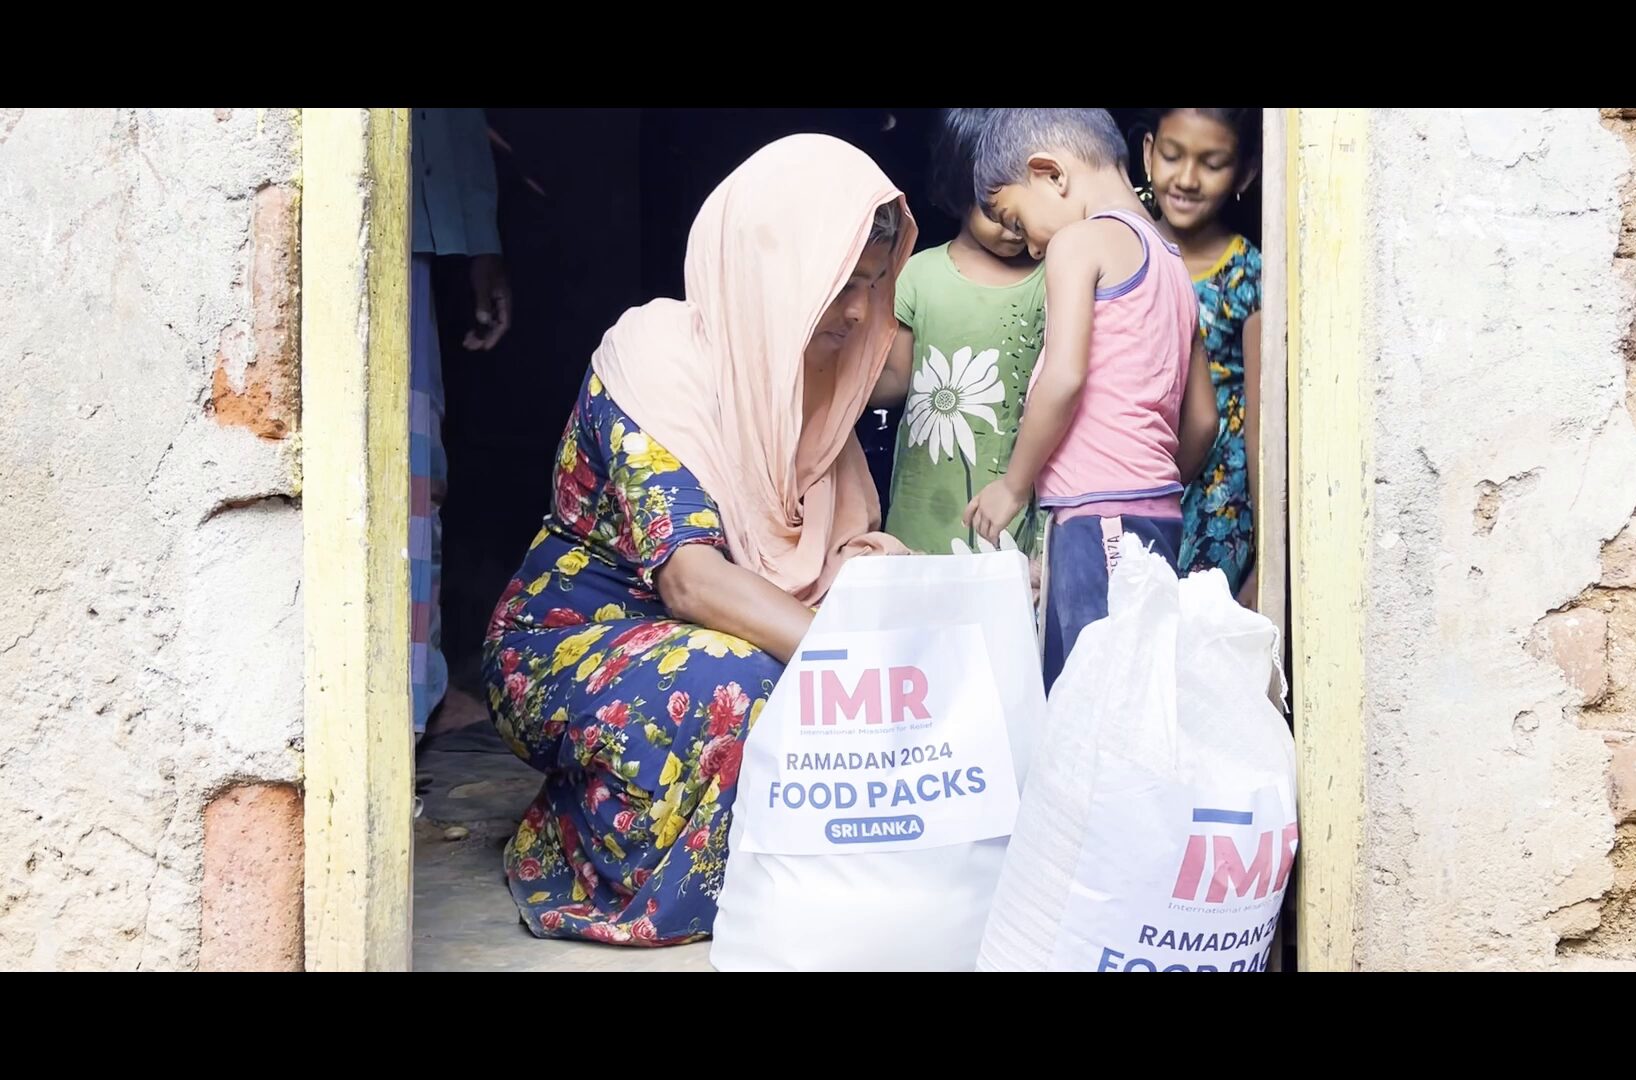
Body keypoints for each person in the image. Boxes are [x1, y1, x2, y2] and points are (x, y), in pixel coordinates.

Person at [482, 135, 913, 946]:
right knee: (745, 680)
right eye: (840, 285)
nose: (859, 313)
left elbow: (828, 553)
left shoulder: (813, 390)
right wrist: (853, 666)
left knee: (837, 659)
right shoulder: (654, 362)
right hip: (574, 640)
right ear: (773, 271)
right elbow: (692, 584)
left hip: (716, 633)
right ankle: (579, 840)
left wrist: (877, 578)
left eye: (873, 285)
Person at [961, 108, 1216, 688]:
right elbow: (1202, 420)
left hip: (1098, 516)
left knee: (1086, 708)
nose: (1026, 246)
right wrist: (1148, 480)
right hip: (1155, 513)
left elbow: (1064, 377)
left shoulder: (1079, 243)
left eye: (1018, 222)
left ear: (1051, 174)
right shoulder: (1175, 264)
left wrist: (1014, 486)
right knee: (1133, 698)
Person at [872, 109, 1047, 556]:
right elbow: (894, 381)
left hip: (1015, 517)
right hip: (921, 513)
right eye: (994, 207)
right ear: (959, 186)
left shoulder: (1054, 279)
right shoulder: (917, 274)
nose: (1014, 225)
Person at [412, 108, 512, 754]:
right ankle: (412, 697)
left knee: (414, 464)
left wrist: (480, 239)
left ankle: (418, 690)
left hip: (406, 223)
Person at [1141, 108, 1264, 607]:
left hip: (1219, 503)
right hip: (1134, 481)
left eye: (1211, 163)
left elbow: (1260, 419)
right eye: (1172, 156)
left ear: (1245, 174)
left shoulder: (1246, 274)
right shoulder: (1124, 252)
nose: (1187, 179)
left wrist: (1267, 555)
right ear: (1148, 152)